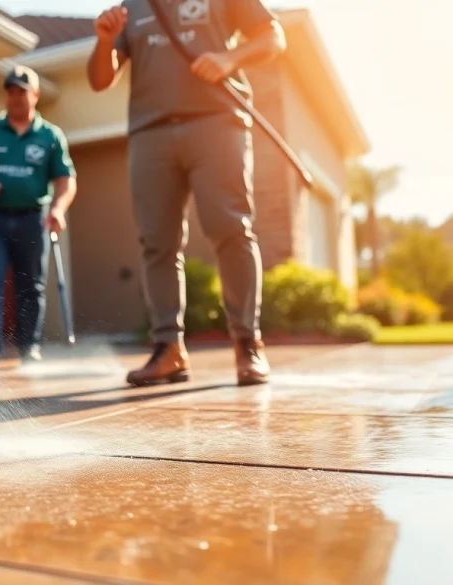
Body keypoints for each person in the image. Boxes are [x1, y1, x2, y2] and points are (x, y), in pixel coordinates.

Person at [86, 0, 287, 387]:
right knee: (156, 242)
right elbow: (99, 80)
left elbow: (273, 37)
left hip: (216, 120)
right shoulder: (132, 7)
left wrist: (230, 58)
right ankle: (168, 349)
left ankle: (247, 343)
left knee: (230, 228)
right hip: (151, 131)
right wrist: (105, 42)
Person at [0, 66, 77, 372]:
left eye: (22, 92)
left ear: (35, 96)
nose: (15, 97)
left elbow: (65, 180)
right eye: (10, 91)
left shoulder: (50, 136)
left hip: (32, 219)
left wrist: (58, 209)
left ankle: (29, 347)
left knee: (32, 285)